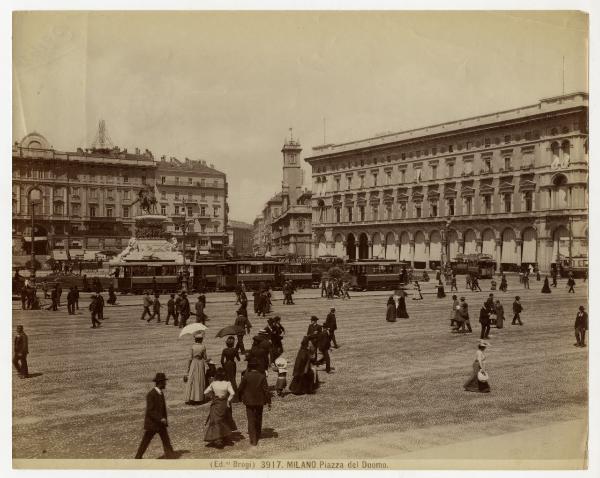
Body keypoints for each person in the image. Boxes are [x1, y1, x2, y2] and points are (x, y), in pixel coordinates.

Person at [134, 373, 177, 459]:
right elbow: (150, 411)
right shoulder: (151, 394)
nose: (165, 384)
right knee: (146, 441)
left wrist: (163, 420)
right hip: (152, 424)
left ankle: (170, 456)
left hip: (160, 423)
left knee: (166, 440)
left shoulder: (160, 393)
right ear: (160, 383)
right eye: (164, 382)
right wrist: (160, 418)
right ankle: (138, 457)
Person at [238, 359, 271, 446]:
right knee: (259, 417)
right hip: (260, 400)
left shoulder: (246, 376)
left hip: (249, 401)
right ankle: (258, 434)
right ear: (257, 366)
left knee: (251, 419)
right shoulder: (262, 376)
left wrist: (240, 396)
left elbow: (240, 388)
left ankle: (253, 439)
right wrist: (269, 401)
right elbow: (266, 390)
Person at [203, 368, 237, 448]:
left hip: (216, 404)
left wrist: (212, 396)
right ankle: (224, 437)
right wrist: (228, 401)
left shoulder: (213, 383)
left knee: (215, 421)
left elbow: (205, 392)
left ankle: (218, 439)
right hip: (224, 403)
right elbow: (232, 393)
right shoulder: (227, 383)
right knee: (224, 420)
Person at [183, 331, 207, 404]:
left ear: (195, 339)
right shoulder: (203, 347)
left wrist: (187, 370)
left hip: (194, 363)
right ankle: (199, 398)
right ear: (201, 339)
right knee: (200, 380)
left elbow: (190, 358)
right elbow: (205, 357)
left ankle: (191, 398)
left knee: (192, 380)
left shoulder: (192, 347)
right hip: (200, 364)